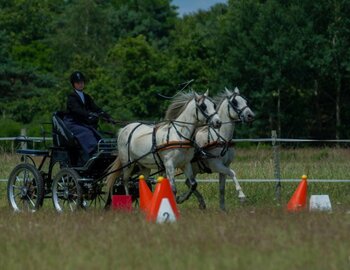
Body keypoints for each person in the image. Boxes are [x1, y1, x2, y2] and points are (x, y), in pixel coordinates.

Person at [64, 71, 111, 163]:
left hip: (82, 122)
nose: (80, 84)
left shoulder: (86, 97)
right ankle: (92, 151)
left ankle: (103, 151)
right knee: (87, 132)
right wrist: (89, 114)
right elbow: (77, 110)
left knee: (96, 133)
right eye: (78, 83)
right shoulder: (72, 97)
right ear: (74, 84)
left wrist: (105, 115)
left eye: (82, 82)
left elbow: (95, 108)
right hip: (72, 123)